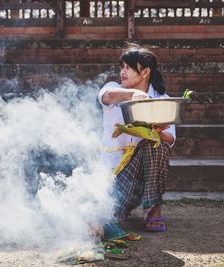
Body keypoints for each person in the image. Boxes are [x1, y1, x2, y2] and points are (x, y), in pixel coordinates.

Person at [98, 44, 175, 232]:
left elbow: (170, 139)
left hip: (143, 177)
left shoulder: (162, 99)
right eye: (122, 67)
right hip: (114, 180)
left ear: (145, 72)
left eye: (128, 68)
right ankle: (119, 207)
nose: (123, 72)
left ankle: (153, 210)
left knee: (157, 144)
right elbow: (106, 96)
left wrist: (155, 131)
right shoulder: (113, 89)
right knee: (107, 215)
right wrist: (134, 94)